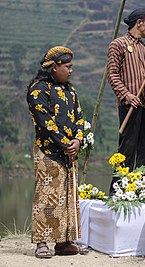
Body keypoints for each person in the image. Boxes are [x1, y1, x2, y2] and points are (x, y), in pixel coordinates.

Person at [27, 46, 88, 258]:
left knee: (68, 197)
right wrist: (65, 143)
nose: (71, 71)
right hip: (48, 152)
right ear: (54, 67)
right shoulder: (38, 90)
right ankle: (41, 242)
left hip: (69, 153)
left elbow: (79, 118)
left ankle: (64, 242)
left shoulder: (70, 91)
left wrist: (77, 141)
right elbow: (45, 123)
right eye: (68, 67)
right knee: (46, 196)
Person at [106, 8, 145, 193]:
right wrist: (127, 95)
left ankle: (142, 188)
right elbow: (112, 74)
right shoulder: (118, 44)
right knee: (127, 148)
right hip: (130, 104)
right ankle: (118, 191)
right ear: (139, 22)